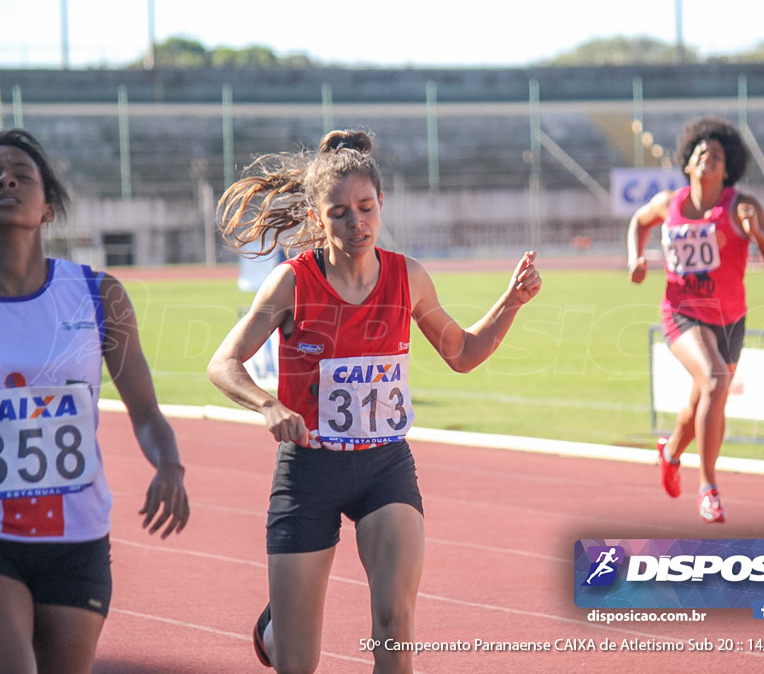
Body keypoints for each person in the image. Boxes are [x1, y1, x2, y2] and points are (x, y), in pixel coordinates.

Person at [207, 130, 541, 673]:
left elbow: (461, 353)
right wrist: (269, 405)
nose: (355, 222)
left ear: (381, 204)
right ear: (318, 218)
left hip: (384, 465)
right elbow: (223, 363)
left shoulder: (408, 277)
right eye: (339, 212)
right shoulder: (291, 284)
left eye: (365, 207)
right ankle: (279, 625)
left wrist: (511, 302)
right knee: (297, 663)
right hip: (309, 470)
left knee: (394, 619)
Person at [0, 128, 190, 673]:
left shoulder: (97, 294)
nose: (6, 180)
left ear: (49, 208)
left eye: (21, 174)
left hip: (77, 538)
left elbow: (147, 413)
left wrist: (170, 465)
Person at [627, 116, 764, 523]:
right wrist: (636, 258)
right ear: (687, 163)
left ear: (726, 168)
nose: (706, 158)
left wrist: (758, 233)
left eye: (715, 155)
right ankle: (708, 487)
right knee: (715, 381)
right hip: (681, 312)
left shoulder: (742, 205)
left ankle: (670, 451)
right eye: (700, 152)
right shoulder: (670, 203)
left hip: (730, 318)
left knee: (704, 396)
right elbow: (638, 222)